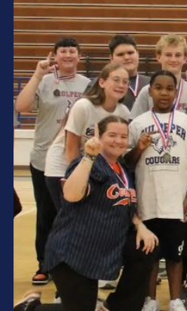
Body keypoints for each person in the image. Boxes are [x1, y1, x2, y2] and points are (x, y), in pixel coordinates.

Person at [13, 116, 159, 311]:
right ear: (99, 136)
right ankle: (29, 308)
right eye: (112, 135)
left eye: (123, 136)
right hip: (72, 253)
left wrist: (140, 226)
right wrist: (89, 156)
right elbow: (71, 195)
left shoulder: (121, 168)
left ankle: (118, 306)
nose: (118, 141)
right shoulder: (88, 163)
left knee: (147, 246)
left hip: (100, 250)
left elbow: (125, 205)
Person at [127, 70, 187, 311]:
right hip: (148, 201)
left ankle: (175, 302)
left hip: (176, 201)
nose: (164, 92)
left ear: (176, 92)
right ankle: (150, 301)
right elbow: (127, 163)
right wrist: (139, 147)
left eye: (169, 88)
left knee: (175, 256)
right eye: (159, 88)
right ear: (149, 91)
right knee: (149, 255)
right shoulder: (137, 123)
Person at [15, 39, 90, 286]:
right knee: (46, 214)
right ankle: (44, 264)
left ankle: (72, 263)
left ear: (79, 56)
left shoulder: (88, 85)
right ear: (54, 56)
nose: (68, 55)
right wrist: (37, 74)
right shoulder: (45, 81)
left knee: (73, 215)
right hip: (43, 159)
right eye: (63, 51)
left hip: (74, 160)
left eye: (72, 51)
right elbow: (21, 106)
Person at [42, 62, 133, 211]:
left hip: (90, 167)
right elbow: (71, 147)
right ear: (102, 82)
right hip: (63, 167)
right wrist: (76, 177)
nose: (121, 85)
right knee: (70, 216)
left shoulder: (123, 112)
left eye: (125, 82)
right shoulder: (84, 106)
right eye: (116, 80)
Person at [130, 34, 187, 118]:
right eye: (168, 55)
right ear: (158, 57)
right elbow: (134, 121)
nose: (173, 59)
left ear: (185, 58)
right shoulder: (147, 91)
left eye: (178, 55)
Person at [109, 34, 149, 107]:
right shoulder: (103, 85)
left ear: (138, 54)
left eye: (130, 53)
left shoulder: (151, 83)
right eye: (120, 54)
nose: (127, 57)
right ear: (111, 58)